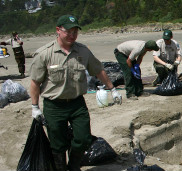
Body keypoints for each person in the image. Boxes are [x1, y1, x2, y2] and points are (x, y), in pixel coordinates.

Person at [29, 15, 122, 171]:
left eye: (75, 32)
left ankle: (73, 167)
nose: (72, 35)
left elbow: (98, 70)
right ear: (58, 30)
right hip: (54, 106)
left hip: (77, 104)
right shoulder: (45, 54)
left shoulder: (83, 51)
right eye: (69, 32)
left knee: (83, 138)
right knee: (58, 144)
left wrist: (113, 89)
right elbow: (34, 82)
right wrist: (34, 107)